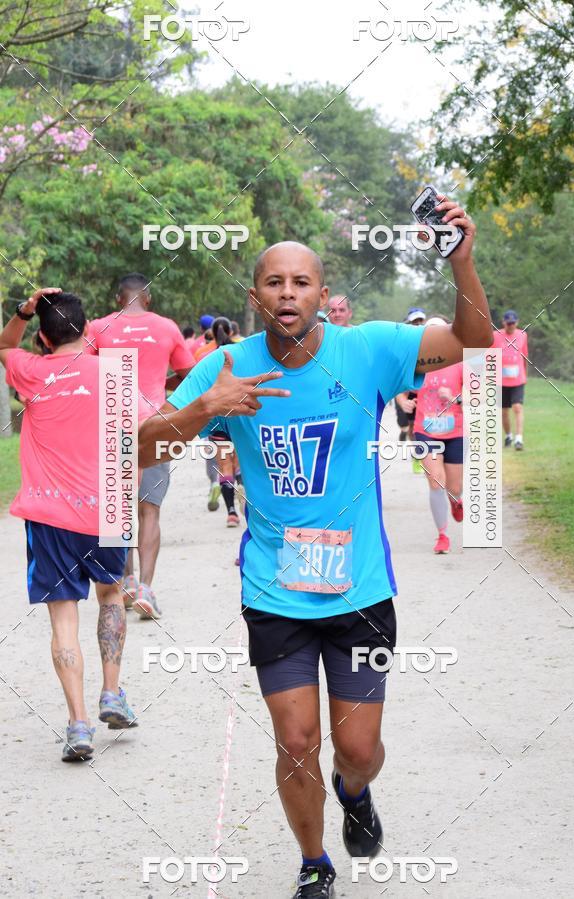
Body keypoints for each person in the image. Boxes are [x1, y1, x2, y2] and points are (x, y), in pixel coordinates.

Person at [139, 195, 491, 897]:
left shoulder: (369, 349)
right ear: (255, 296)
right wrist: (204, 408)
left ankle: (354, 793)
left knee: (356, 749)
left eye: (302, 282)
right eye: (275, 282)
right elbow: (141, 446)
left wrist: (461, 257)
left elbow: (472, 340)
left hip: (360, 591)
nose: (288, 292)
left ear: (322, 296)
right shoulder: (227, 366)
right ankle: (313, 862)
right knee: (295, 740)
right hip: (275, 590)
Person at [0, 289, 137, 762]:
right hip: (110, 507)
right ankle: (112, 694)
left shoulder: (32, 371)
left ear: (43, 336)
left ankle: (79, 725)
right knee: (112, 594)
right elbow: (142, 431)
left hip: (49, 514)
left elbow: (2, 347)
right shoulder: (114, 372)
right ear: (85, 330)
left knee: (63, 615)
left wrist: (22, 310)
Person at [87, 273, 195, 619]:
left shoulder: (99, 327)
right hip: (154, 425)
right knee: (149, 510)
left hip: (112, 424)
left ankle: (126, 582)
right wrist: (163, 385)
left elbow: (83, 370)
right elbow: (189, 375)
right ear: (147, 299)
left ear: (119, 298)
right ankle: (147, 589)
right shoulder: (167, 327)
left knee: (119, 510)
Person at [413, 316, 464, 554]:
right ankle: (442, 535)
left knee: (454, 487)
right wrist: (403, 402)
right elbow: (400, 388)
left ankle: (456, 502)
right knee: (435, 481)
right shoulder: (416, 363)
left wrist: (454, 398)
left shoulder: (462, 361)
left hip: (455, 432)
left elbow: (481, 396)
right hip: (425, 431)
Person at [195, 316, 245, 524]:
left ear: (211, 334)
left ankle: (231, 512)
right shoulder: (243, 349)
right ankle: (245, 497)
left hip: (216, 415)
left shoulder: (202, 354)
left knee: (224, 465)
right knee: (241, 464)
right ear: (231, 332)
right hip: (241, 412)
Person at [394, 308, 426, 472]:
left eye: (421, 321)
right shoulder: (401, 341)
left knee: (419, 425)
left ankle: (420, 454)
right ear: (409, 323)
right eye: (415, 321)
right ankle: (416, 451)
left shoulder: (429, 339)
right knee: (410, 426)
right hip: (404, 388)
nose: (418, 324)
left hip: (423, 388)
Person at [492, 310, 528, 450]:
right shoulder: (495, 336)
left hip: (518, 379)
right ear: (503, 323)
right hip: (500, 381)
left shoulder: (522, 335)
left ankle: (519, 440)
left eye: (513, 323)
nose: (511, 326)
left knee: (517, 407)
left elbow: (525, 355)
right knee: (504, 411)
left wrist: (525, 374)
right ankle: (508, 435)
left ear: (517, 323)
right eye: (508, 323)